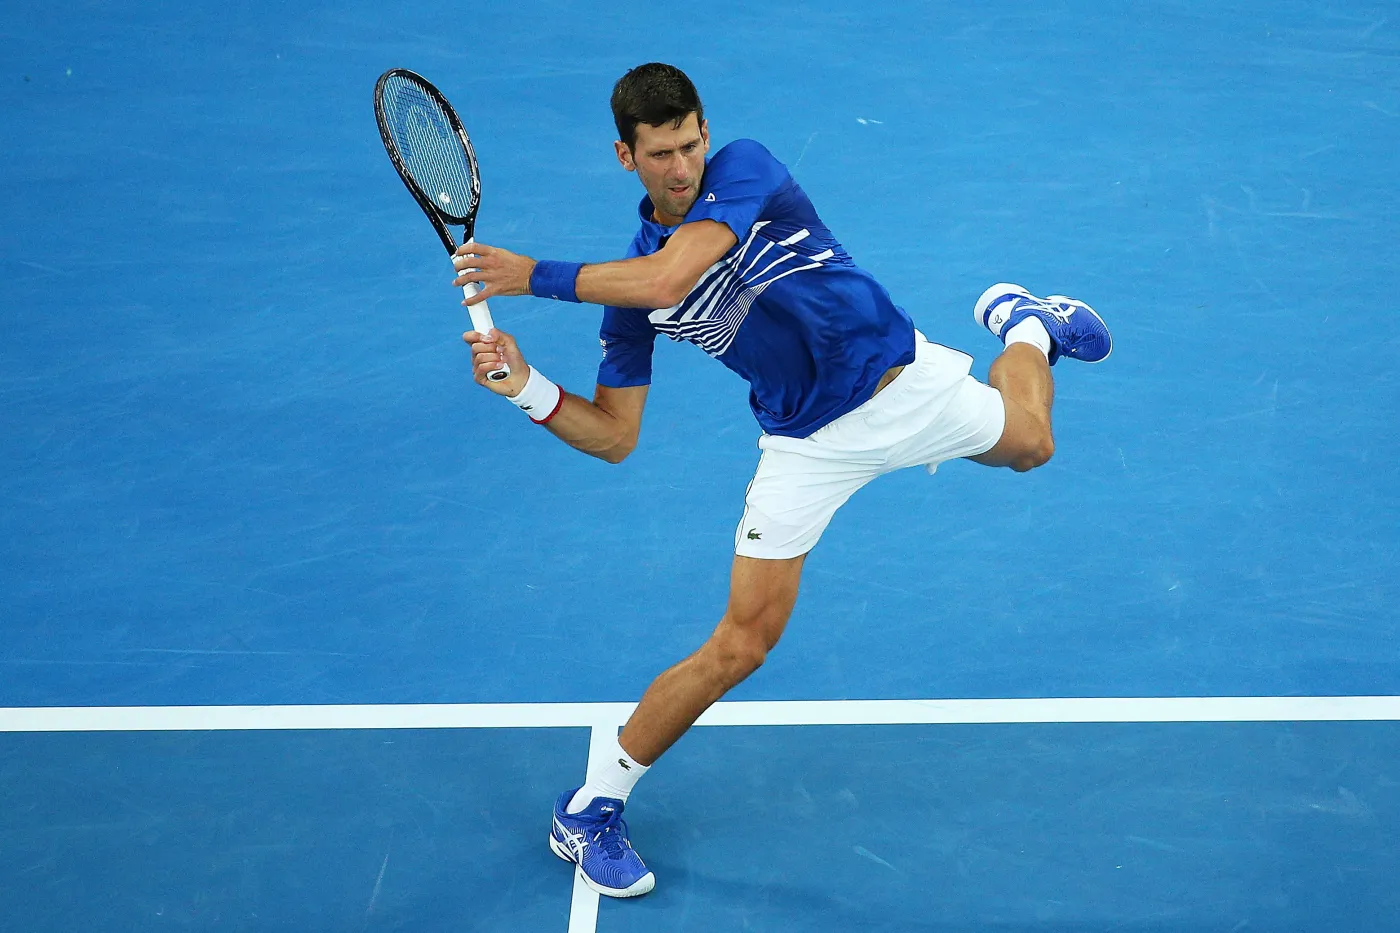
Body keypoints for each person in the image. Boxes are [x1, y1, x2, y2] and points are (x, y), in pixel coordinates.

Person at [449, 62, 1112, 898]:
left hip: (901, 382)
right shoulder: (625, 292)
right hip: (808, 445)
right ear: (627, 157)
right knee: (743, 641)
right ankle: (589, 808)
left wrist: (531, 274)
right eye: (661, 155)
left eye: (690, 144)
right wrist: (527, 388)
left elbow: (670, 277)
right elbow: (616, 436)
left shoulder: (747, 168)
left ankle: (1025, 325)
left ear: (705, 134)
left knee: (1033, 445)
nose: (682, 168)